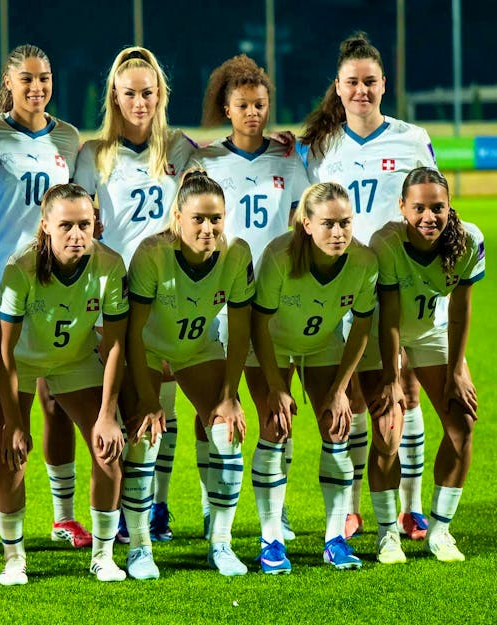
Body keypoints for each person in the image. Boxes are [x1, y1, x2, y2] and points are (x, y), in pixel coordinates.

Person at [301, 31, 437, 539]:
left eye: (370, 82)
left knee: (408, 392)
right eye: (352, 82)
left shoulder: (412, 137)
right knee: (357, 396)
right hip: (344, 286)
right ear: (337, 88)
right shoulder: (318, 146)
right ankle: (355, 506)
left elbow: (433, 205)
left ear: (385, 84)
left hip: (401, 286)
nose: (362, 90)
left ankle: (412, 505)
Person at [0, 44, 86, 554]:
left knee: (56, 401)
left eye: (46, 77)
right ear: (9, 83)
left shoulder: (69, 137)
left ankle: (63, 517)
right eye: (28, 79)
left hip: (59, 285)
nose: (38, 87)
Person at [74, 46, 197, 543]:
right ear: (114, 96)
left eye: (148, 93)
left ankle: (158, 506)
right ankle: (128, 509)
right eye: (130, 93)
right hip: (113, 292)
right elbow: (82, 221)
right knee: (126, 401)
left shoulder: (181, 149)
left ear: (160, 95)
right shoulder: (93, 154)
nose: (139, 102)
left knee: (163, 404)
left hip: (167, 291)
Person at [193, 53, 309, 541]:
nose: (253, 113)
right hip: (217, 299)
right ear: (226, 107)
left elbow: (305, 217)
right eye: (243, 105)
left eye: (260, 104)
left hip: (272, 302)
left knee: (272, 408)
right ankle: (208, 501)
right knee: (213, 407)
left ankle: (273, 508)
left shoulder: (286, 157)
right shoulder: (206, 159)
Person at [0, 183, 128, 584]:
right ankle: (13, 558)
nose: (76, 235)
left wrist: (106, 414)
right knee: (10, 452)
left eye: (84, 224)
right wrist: (15, 421)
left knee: (108, 451)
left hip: (75, 359)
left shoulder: (109, 264)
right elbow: (3, 351)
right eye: (66, 225)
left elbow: (117, 343)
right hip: (19, 361)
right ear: (46, 226)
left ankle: (103, 556)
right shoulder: (21, 268)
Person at [122, 171, 254, 579]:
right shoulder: (151, 253)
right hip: (146, 347)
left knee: (225, 430)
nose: (208, 228)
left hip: (198, 348)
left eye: (215, 218)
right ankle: (140, 547)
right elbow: (132, 333)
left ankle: (221, 542)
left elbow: (242, 329)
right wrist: (147, 397)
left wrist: (231, 395)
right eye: (198, 218)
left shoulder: (236, 253)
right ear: (177, 217)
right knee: (145, 435)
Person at [248, 182, 377, 573]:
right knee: (275, 427)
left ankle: (334, 539)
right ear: (306, 223)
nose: (338, 233)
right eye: (328, 224)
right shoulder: (279, 256)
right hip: (270, 344)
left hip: (322, 346)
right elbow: (258, 324)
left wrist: (340, 390)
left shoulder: (364, 262)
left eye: (345, 223)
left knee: (338, 427)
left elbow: (361, 326)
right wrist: (275, 387)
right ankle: (271, 539)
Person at [368, 167, 484, 563]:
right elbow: (390, 317)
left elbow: (461, 310)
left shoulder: (469, 241)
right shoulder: (385, 243)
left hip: (433, 332)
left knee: (462, 424)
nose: (428, 216)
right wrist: (392, 377)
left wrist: (454, 373)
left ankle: (440, 531)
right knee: (386, 433)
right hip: (387, 333)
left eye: (438, 207)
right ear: (402, 207)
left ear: (450, 207)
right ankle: (387, 536)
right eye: (418, 208)